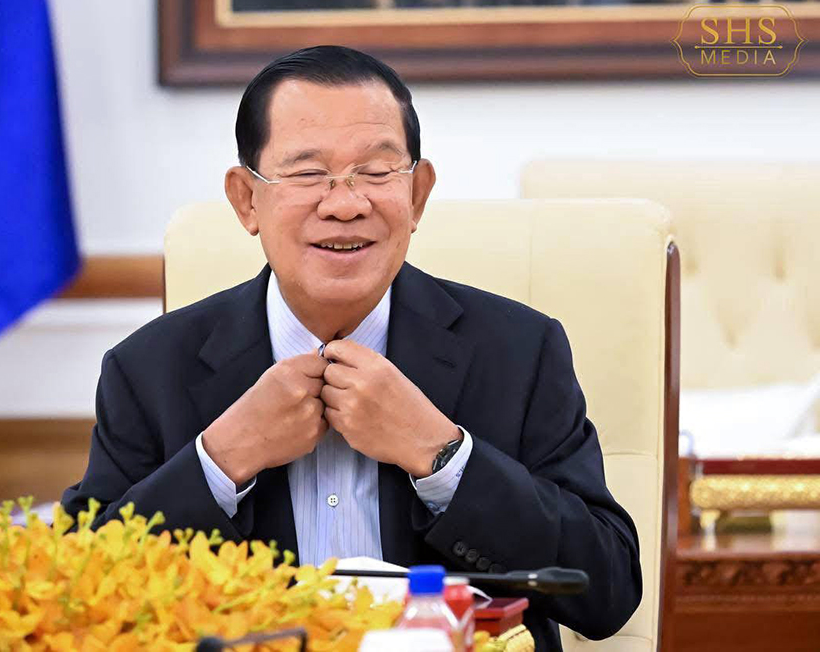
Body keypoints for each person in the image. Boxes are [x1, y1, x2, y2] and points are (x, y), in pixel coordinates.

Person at [61, 45, 641, 649]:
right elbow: (77, 596)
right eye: (307, 174)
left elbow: (606, 591)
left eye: (377, 171)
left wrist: (443, 457)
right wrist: (219, 461)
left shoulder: (519, 350)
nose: (345, 205)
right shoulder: (148, 369)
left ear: (417, 195)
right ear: (246, 199)